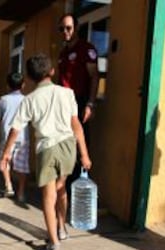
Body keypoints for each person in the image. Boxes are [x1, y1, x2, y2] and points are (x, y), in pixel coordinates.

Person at [0, 53, 92, 250]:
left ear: (29, 77)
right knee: (62, 190)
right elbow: (76, 125)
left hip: (46, 149)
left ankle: (54, 244)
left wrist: (6, 154)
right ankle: (62, 228)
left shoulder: (29, 100)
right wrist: (84, 154)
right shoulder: (67, 93)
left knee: (48, 198)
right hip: (68, 147)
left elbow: (15, 129)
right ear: (52, 71)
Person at [58, 13, 99, 184]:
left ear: (77, 28)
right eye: (62, 29)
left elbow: (94, 76)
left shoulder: (86, 48)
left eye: (68, 28)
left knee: (80, 144)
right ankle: (65, 186)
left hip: (80, 102)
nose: (65, 32)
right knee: (64, 144)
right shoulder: (63, 52)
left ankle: (79, 185)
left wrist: (90, 103)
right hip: (63, 104)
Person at [0, 72, 29, 202]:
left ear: (8, 85)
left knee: (5, 161)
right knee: (22, 166)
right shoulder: (26, 99)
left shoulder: (3, 100)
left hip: (6, 135)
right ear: (23, 85)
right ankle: (21, 193)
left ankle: (8, 185)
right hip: (23, 137)